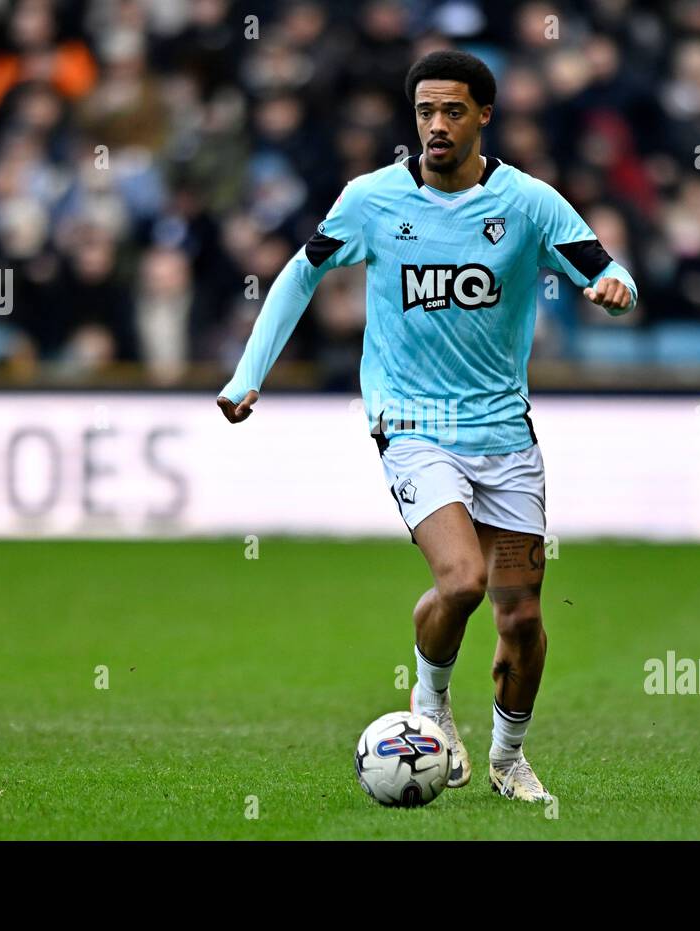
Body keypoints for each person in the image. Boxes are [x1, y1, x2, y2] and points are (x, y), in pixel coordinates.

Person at [216, 50, 637, 802]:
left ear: (483, 115)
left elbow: (608, 267)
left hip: (505, 431)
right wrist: (249, 375)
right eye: (423, 112)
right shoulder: (372, 199)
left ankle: (509, 759)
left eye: (451, 111)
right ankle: (432, 705)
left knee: (523, 614)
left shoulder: (530, 203)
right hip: (412, 423)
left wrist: (615, 289)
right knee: (464, 579)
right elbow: (301, 272)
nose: (435, 126)